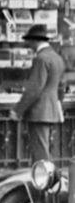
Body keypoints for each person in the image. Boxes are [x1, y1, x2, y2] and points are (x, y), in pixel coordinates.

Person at [12, 24, 65, 165]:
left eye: (29, 41)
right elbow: (61, 87)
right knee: (45, 149)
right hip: (51, 111)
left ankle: (43, 184)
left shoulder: (41, 59)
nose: (28, 44)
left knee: (40, 154)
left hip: (39, 112)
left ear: (35, 41)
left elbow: (34, 88)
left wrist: (18, 110)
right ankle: (48, 181)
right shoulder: (56, 58)